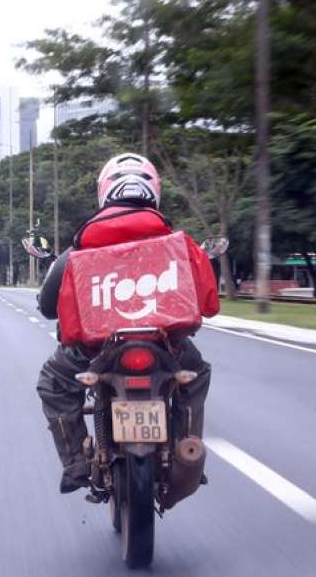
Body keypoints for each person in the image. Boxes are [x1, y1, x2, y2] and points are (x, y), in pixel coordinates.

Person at [35, 153, 220, 494]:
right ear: (155, 193)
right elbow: (209, 305)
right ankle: (186, 449)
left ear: (104, 192)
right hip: (168, 347)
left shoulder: (77, 250)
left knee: (53, 382)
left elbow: (48, 307)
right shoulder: (179, 245)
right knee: (197, 375)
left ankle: (77, 462)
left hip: (94, 350)